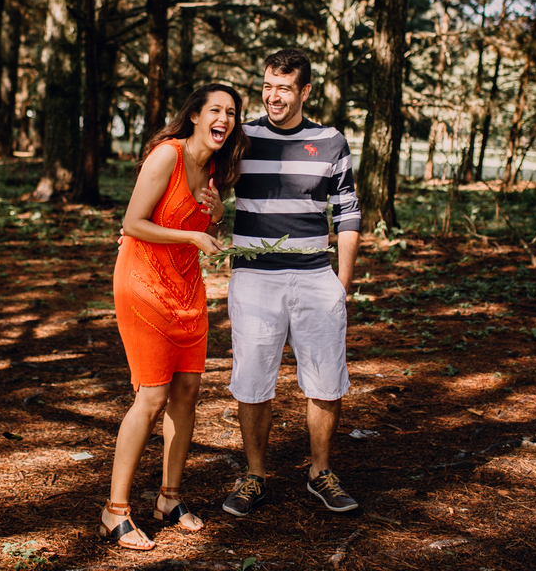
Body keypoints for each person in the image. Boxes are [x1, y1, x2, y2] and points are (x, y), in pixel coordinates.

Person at [100, 83, 248, 550]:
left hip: (186, 287)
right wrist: (192, 239)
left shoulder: (215, 167)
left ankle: (169, 496)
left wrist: (218, 215)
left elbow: (198, 222)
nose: (224, 118)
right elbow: (133, 222)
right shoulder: (167, 154)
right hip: (142, 280)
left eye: (232, 112)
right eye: (216, 110)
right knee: (152, 396)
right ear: (196, 116)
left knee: (187, 391)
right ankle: (115, 511)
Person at [222, 48, 362, 517]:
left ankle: (320, 471)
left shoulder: (330, 141)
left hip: (314, 278)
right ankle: (255, 475)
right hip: (254, 281)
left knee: (326, 378)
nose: (273, 95)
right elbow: (201, 179)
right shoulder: (241, 137)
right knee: (252, 378)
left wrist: (340, 283)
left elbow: (347, 212)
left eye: (284, 87)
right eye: (267, 86)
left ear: (304, 91)